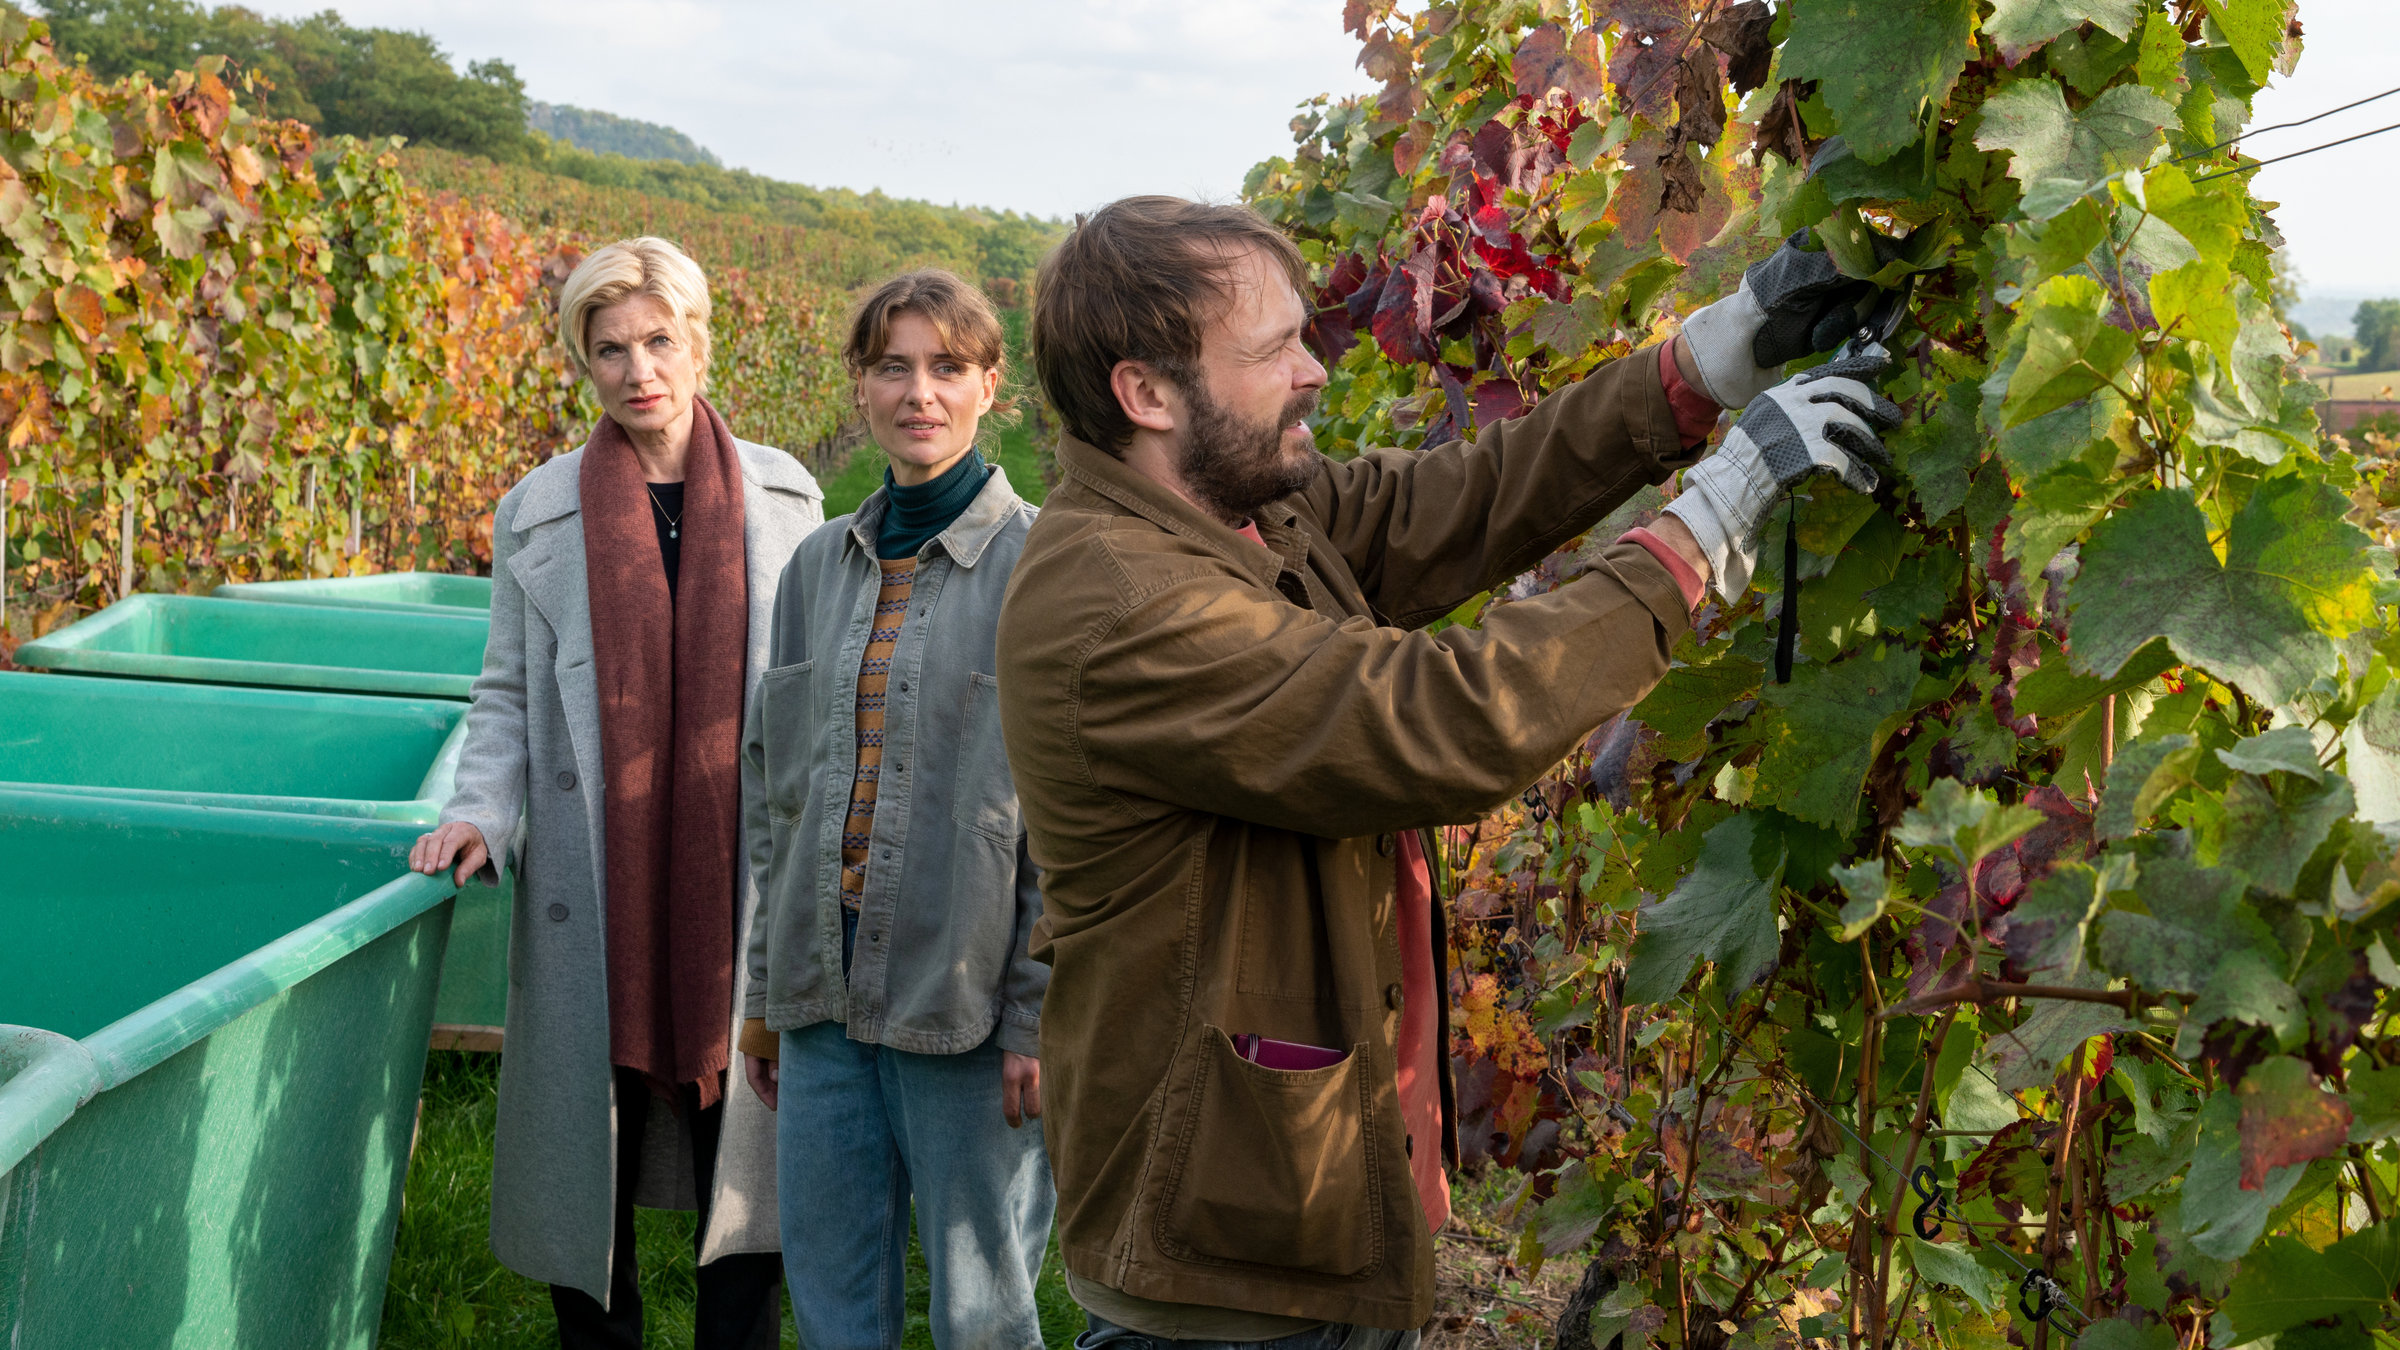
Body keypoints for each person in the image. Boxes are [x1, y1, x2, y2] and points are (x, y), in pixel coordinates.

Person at [994, 197, 1895, 1347]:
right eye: (1273, 350)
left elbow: (1450, 501)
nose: (1314, 371)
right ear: (1149, 394)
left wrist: (1701, 362)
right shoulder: (1122, 604)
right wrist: (1704, 525)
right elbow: (1440, 723)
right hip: (1225, 1268)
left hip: (1294, 1208)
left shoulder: (1235, 510)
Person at [408, 235, 824, 1350]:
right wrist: (483, 810)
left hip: (743, 871)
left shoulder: (791, 499)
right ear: (583, 364)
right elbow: (503, 693)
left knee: (749, 1164)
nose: (639, 369)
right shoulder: (536, 511)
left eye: (658, 340)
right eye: (609, 350)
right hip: (595, 873)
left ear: (698, 342)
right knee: (580, 1165)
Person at [736, 269, 1052, 1350]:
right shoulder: (817, 569)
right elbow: (779, 801)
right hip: (823, 1004)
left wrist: (1037, 1015)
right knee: (834, 1303)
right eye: (893, 366)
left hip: (966, 1007)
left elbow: (1076, 822)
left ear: (989, 387)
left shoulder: (1043, 567)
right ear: (862, 388)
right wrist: (767, 999)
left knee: (985, 1312)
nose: (920, 391)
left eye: (947, 367)